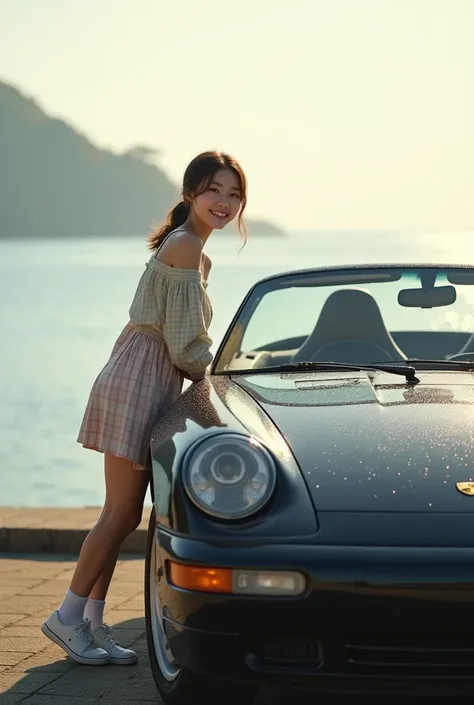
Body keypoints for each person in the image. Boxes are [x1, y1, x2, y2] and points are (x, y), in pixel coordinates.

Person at [41, 151, 247, 666]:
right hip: (140, 380)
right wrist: (227, 376)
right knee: (119, 514)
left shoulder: (197, 251)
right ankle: (66, 618)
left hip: (147, 378)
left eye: (233, 194)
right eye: (214, 190)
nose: (223, 203)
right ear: (190, 194)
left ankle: (90, 624)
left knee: (126, 513)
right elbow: (184, 345)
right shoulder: (183, 247)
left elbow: (180, 341)